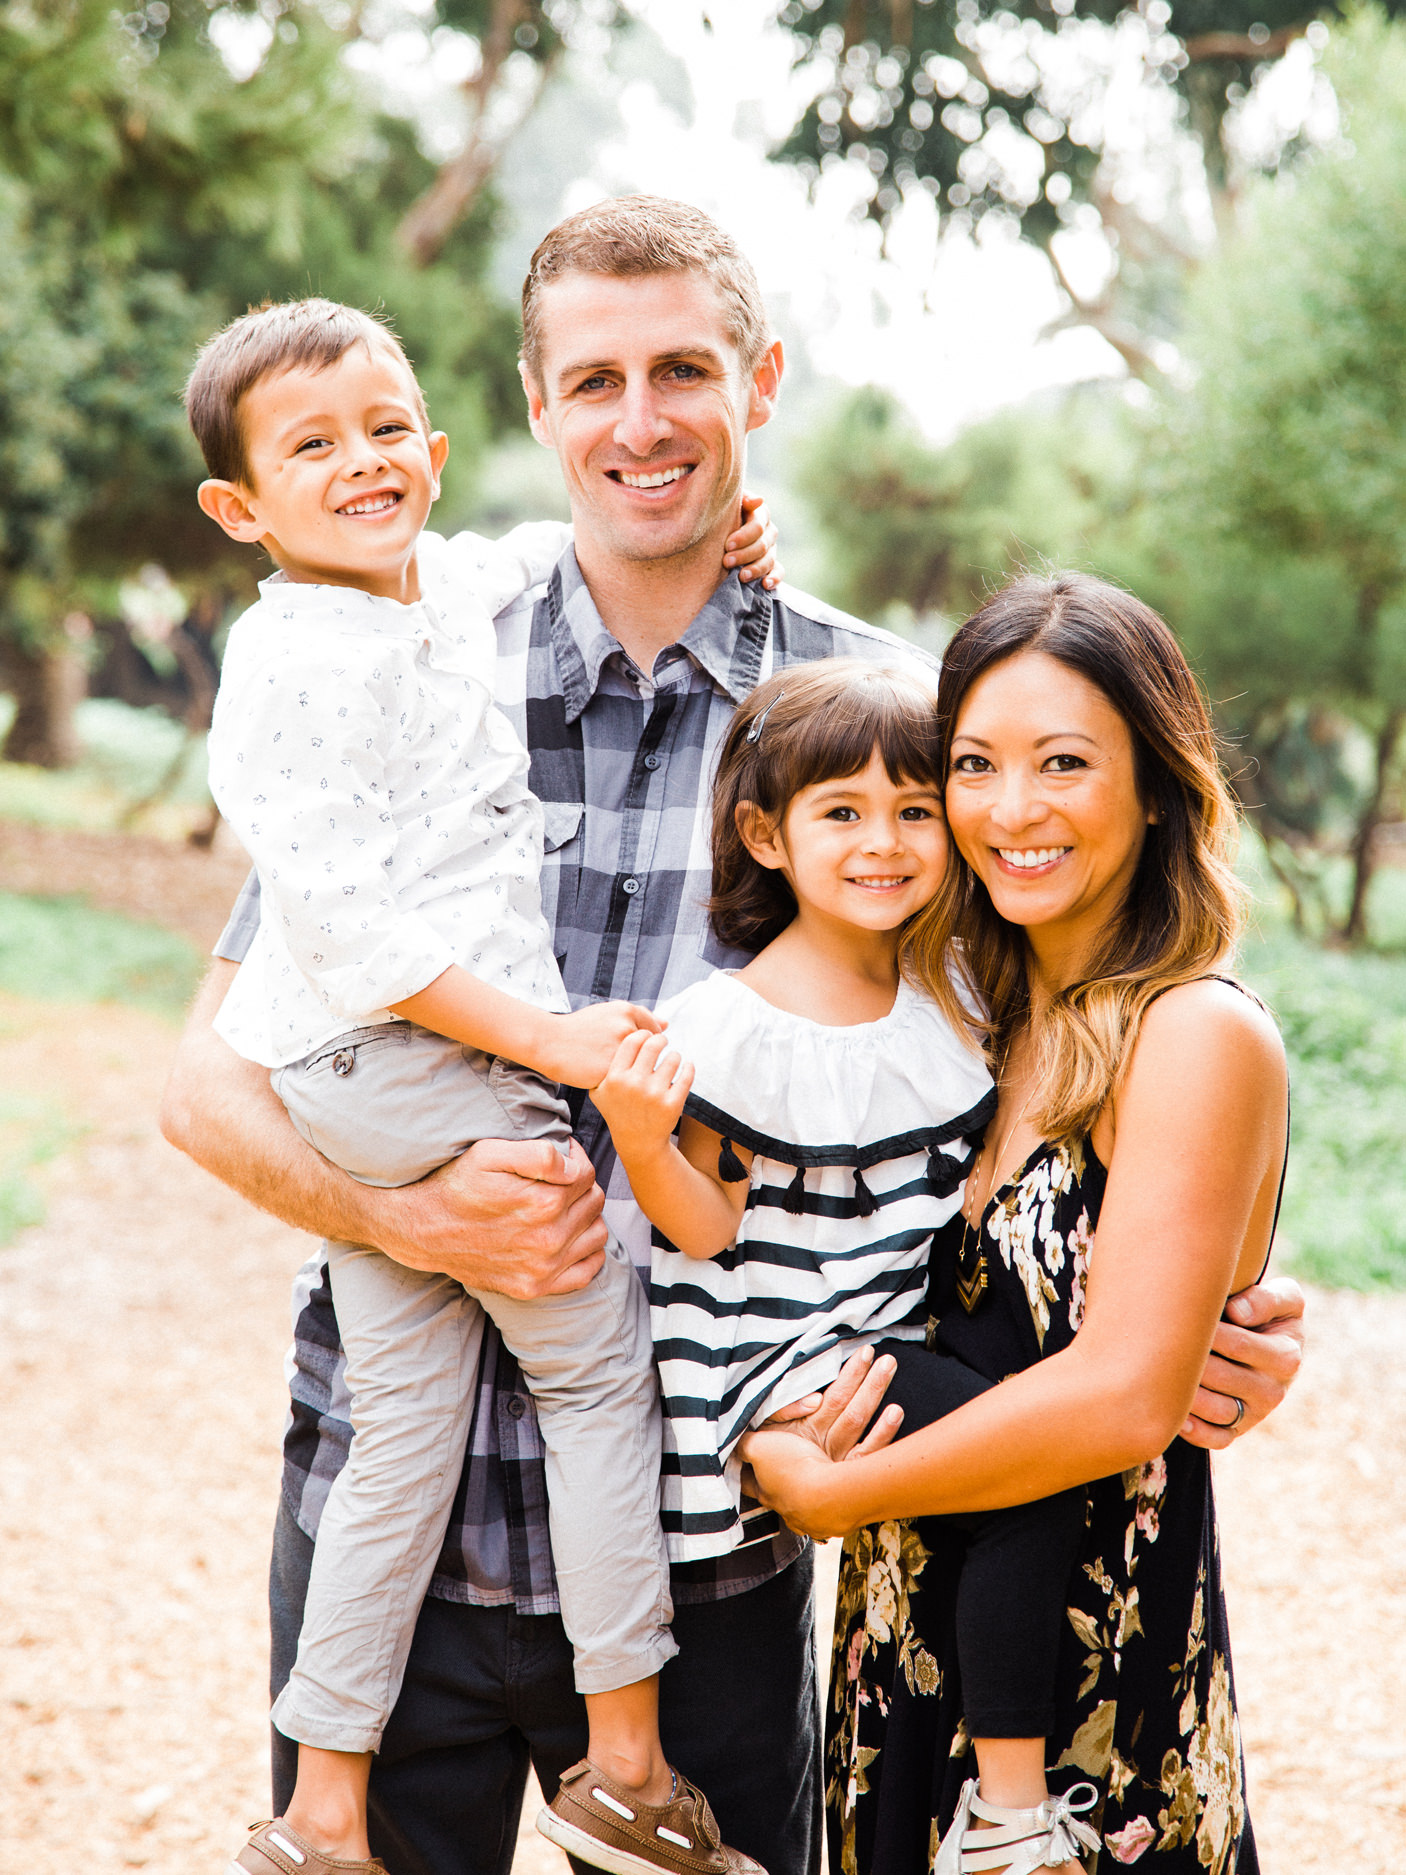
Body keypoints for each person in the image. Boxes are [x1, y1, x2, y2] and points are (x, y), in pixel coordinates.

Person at [160, 201, 1305, 1875]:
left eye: (684, 369)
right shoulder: (398, 662)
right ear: (536, 407)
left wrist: (1200, 1310)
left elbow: (1076, 1058)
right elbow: (207, 1076)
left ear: (758, 381)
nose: (643, 422)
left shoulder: (890, 726)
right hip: (401, 1517)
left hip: (725, 1547)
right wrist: (397, 1217)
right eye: (599, 379)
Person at [185, 297, 777, 1875]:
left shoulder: (442, 587)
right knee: (593, 1375)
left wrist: (734, 534)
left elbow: (532, 551)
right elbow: (323, 962)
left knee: (404, 1426)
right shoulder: (297, 664)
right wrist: (545, 1052)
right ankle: (629, 1762)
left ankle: (319, 1810)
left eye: (386, 430)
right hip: (400, 1062)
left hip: (382, 1074)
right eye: (311, 445)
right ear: (240, 510)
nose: (363, 462)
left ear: (438, 449)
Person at [740, 572, 1291, 1875]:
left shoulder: (1191, 1032)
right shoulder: (959, 1025)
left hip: (1087, 1709)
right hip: (907, 1653)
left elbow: (1114, 1397)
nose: (1011, 809)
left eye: (1062, 762)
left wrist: (833, 1488)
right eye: (973, 765)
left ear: (1154, 783)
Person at [592, 655, 1092, 1855]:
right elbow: (702, 1227)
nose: (885, 842)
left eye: (914, 809)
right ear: (767, 837)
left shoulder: (953, 994)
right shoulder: (729, 1023)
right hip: (783, 1359)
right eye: (842, 813)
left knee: (1008, 1479)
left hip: (887, 1337)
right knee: (1033, 1474)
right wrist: (635, 1133)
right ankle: (1011, 1816)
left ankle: (981, 1789)